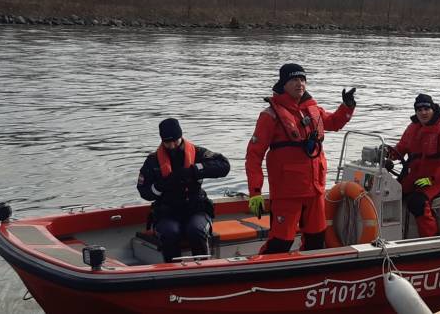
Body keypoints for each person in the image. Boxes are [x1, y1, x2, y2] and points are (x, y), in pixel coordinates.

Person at [245, 63, 356, 254]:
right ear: (283, 83)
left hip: (315, 190)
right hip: (288, 192)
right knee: (280, 242)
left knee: (316, 239)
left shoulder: (313, 109)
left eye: (303, 79)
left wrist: (347, 107)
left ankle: (310, 278)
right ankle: (261, 277)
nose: (300, 83)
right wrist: (255, 191)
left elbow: (334, 123)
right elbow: (254, 155)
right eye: (294, 79)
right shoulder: (270, 115)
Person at [137, 118, 230, 262]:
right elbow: (144, 191)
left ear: (181, 136)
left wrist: (194, 170)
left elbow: (224, 165)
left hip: (196, 209)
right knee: (170, 233)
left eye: (175, 140)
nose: (172, 145)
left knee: (196, 230)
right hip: (167, 213)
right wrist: (161, 186)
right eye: (168, 142)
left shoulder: (197, 153)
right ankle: (172, 272)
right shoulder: (153, 161)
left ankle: (204, 269)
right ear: (162, 141)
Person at [389, 94, 440, 237]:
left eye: (426, 108)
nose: (423, 112)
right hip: (415, 177)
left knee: (417, 203)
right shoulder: (412, 128)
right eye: (419, 109)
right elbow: (400, 149)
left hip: (438, 180)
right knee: (392, 193)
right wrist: (387, 155)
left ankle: (430, 239)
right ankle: (394, 234)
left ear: (433, 109)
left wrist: (432, 179)